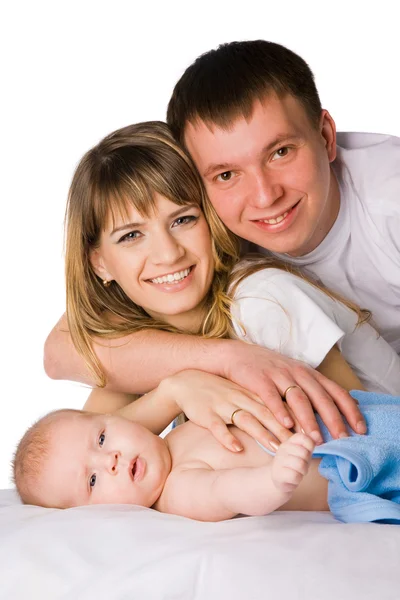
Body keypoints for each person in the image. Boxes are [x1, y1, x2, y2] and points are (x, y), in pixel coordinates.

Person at [44, 39, 399, 442]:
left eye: (281, 152)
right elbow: (62, 356)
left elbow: (368, 439)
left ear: (326, 136)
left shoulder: (386, 201)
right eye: (226, 174)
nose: (265, 197)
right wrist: (196, 376)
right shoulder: (207, 241)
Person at [12, 389, 400, 524]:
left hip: (350, 422)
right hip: (347, 466)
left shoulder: (180, 429)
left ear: (116, 416)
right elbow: (226, 490)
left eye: (100, 438)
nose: (109, 459)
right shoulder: (176, 491)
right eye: (93, 481)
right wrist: (273, 478)